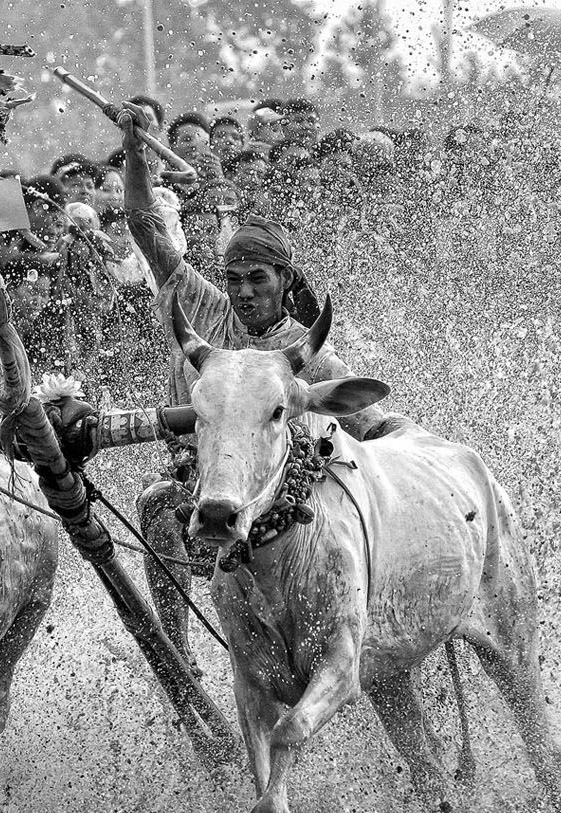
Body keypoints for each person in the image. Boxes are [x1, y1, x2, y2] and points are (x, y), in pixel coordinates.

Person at [118, 102, 399, 669]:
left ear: (284, 280)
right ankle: (179, 656)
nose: (244, 292)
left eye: (258, 279)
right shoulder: (204, 309)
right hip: (201, 486)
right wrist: (134, 147)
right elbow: (145, 229)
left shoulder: (303, 353)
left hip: (286, 515)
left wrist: (417, 450)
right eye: (235, 280)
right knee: (155, 504)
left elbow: (371, 423)